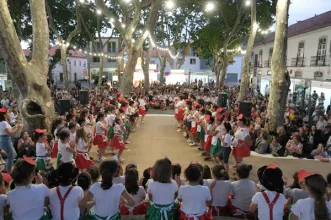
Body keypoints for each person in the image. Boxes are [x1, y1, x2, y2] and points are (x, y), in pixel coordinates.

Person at [0, 107, 21, 173]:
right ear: (4, 114)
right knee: (10, 156)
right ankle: (8, 172)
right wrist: (17, 128)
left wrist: (15, 127)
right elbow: (9, 133)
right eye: (8, 112)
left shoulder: (4, 122)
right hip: (5, 139)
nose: (9, 113)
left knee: (13, 154)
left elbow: (9, 130)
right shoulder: (4, 123)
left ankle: (6, 169)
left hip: (5, 139)